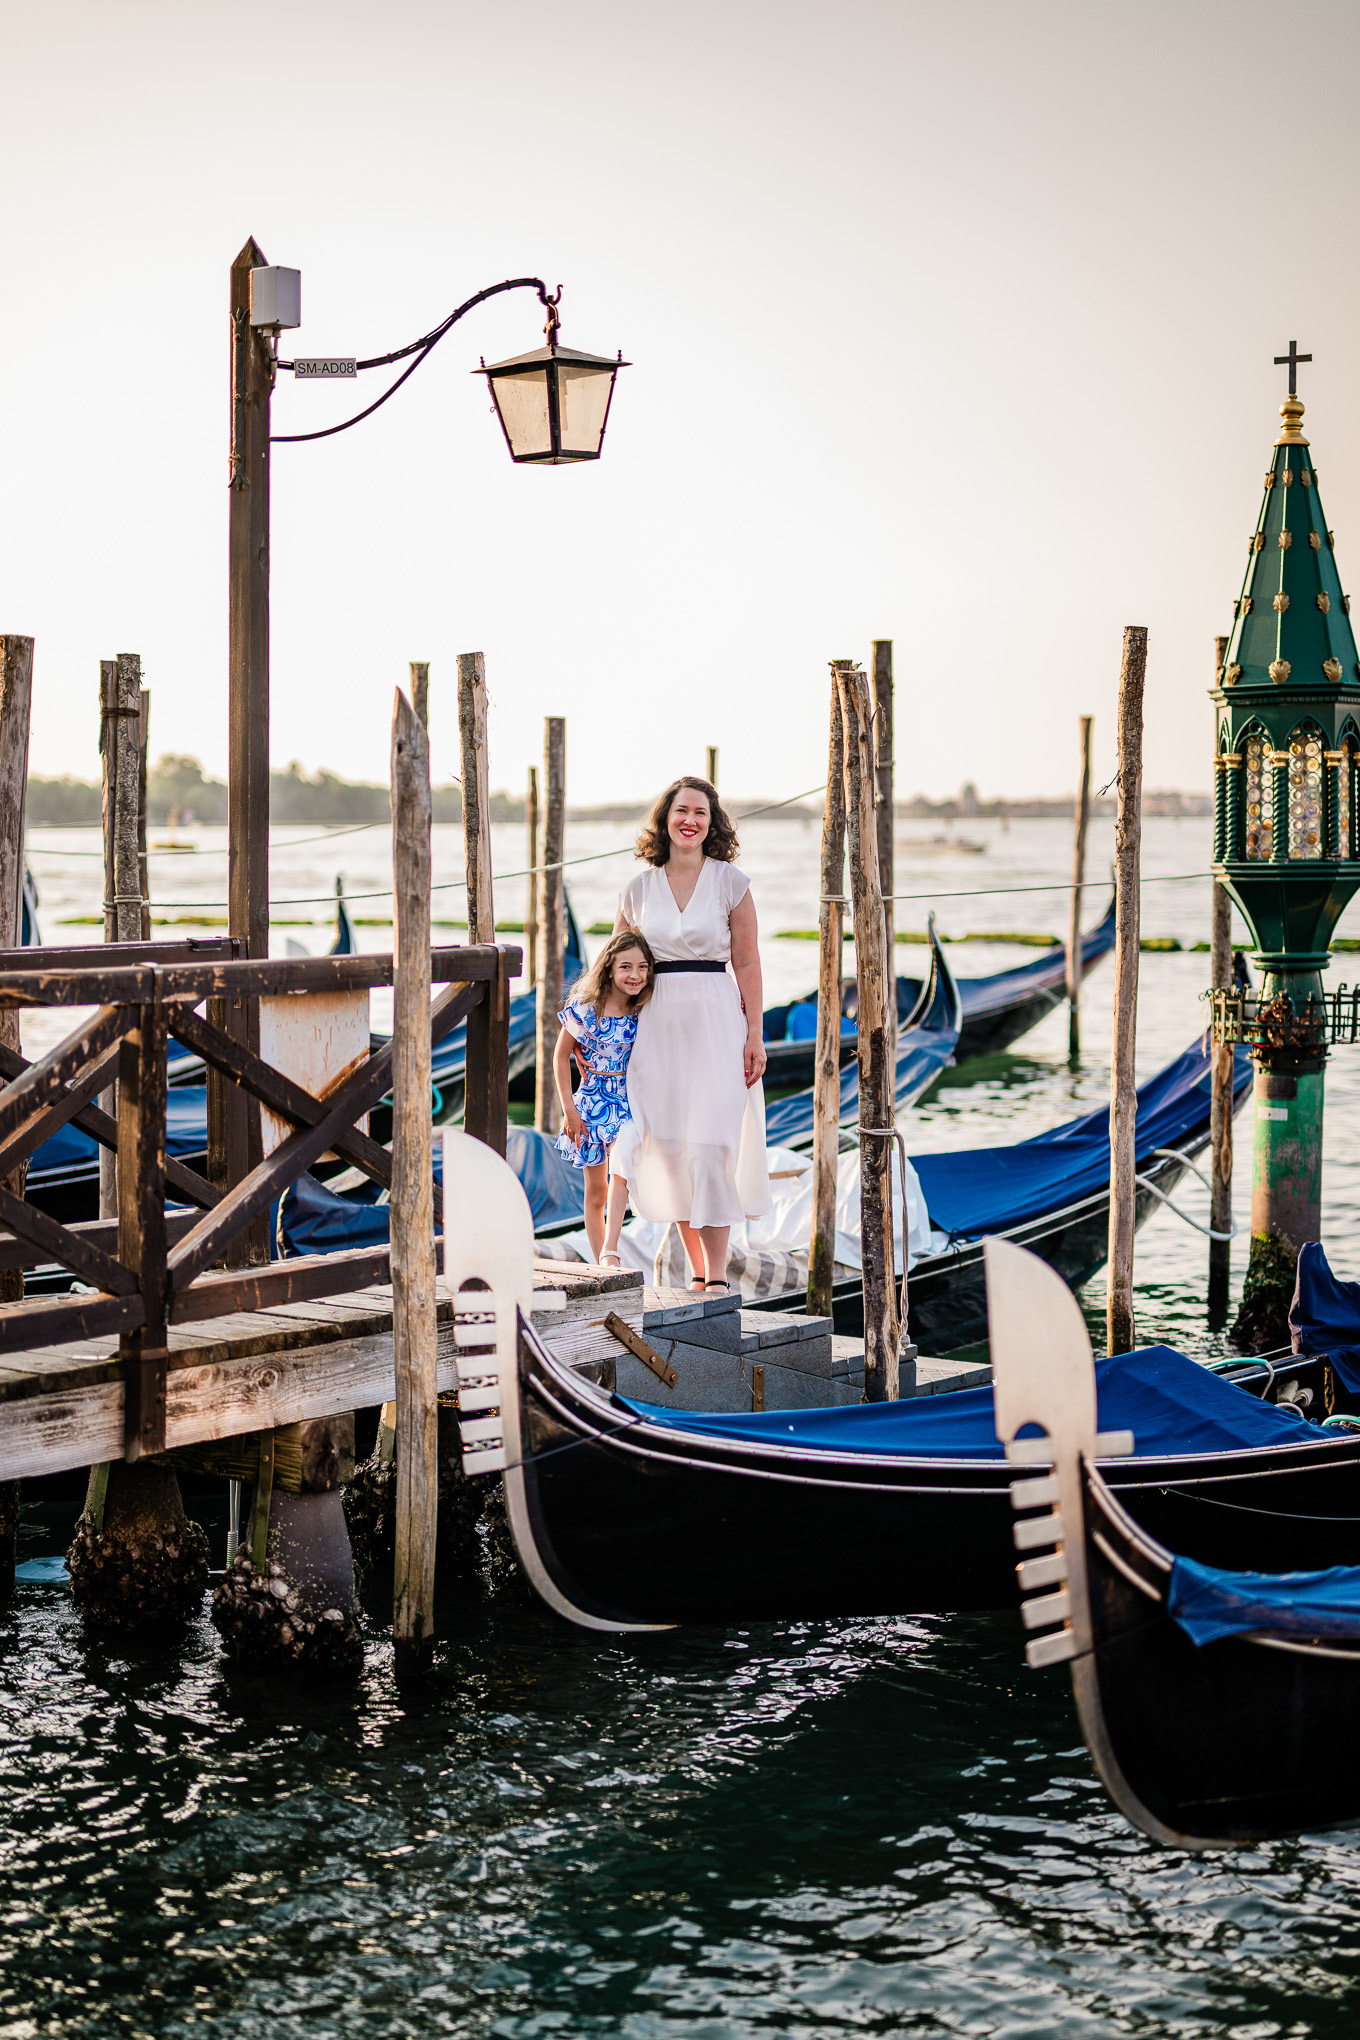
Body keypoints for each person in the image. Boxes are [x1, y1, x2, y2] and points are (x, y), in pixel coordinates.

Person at [606, 776, 769, 1293]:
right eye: (681, 811)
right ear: (665, 818)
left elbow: (746, 960)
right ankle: (698, 1271)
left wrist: (756, 1035)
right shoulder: (638, 889)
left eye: (700, 812)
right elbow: (618, 967)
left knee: (712, 1143)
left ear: (712, 822)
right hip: (653, 1026)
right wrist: (603, 1037)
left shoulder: (731, 882)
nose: (690, 820)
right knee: (668, 1144)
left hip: (717, 1020)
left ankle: (717, 1278)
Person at [552, 927, 655, 1265]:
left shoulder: (646, 1010)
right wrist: (570, 1111)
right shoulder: (586, 1009)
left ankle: (612, 1249)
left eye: (642, 967)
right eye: (626, 966)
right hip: (592, 1104)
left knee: (622, 1172)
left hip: (631, 1103)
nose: (635, 975)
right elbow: (560, 1056)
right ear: (609, 967)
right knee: (596, 1193)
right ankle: (602, 1265)